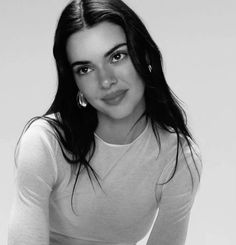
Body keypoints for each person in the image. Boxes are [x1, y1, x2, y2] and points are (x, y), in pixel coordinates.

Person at [8, 0, 202, 244]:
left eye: (117, 56)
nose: (106, 80)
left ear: (143, 55)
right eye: (85, 69)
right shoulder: (45, 143)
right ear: (75, 82)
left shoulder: (179, 159)